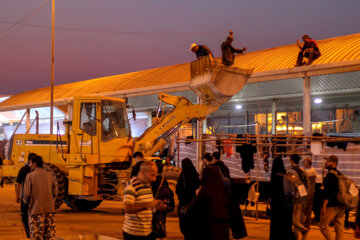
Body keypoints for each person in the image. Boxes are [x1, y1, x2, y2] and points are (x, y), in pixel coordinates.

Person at [123, 161, 167, 240]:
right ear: (143, 172)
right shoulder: (131, 186)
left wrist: (157, 206)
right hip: (133, 234)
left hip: (148, 232)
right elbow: (127, 208)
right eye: (152, 175)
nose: (154, 179)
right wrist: (148, 204)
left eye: (155, 175)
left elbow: (148, 205)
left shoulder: (147, 185)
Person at [187, 166, 230, 240]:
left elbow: (193, 208)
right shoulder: (224, 191)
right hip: (223, 230)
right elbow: (232, 209)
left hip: (208, 229)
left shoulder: (205, 191)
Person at [23, 155, 58, 240]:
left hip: (36, 211)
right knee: (49, 236)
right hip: (50, 211)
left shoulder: (30, 176)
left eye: (30, 163)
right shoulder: (50, 175)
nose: (29, 165)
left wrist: (25, 202)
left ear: (34, 164)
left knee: (37, 236)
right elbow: (55, 192)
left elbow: (27, 195)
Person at [320, 155, 346, 240]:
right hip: (342, 205)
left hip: (332, 205)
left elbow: (327, 192)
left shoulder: (330, 175)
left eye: (328, 161)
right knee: (339, 229)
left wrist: (324, 206)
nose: (326, 163)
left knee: (323, 225)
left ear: (333, 163)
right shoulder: (339, 174)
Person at [269, 155, 295, 240]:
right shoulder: (285, 176)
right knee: (285, 224)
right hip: (285, 204)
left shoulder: (273, 177)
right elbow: (290, 190)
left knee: (276, 224)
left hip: (276, 205)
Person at [175, 158, 201, 240]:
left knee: (184, 219)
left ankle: (186, 234)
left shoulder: (182, 175)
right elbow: (198, 184)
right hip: (192, 200)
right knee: (192, 218)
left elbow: (178, 189)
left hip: (183, 201)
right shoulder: (194, 173)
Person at [16, 152, 37, 239]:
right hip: (37, 198)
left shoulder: (23, 169)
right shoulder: (41, 171)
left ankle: (29, 234)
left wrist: (17, 195)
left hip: (26, 197)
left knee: (25, 215)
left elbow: (19, 184)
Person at [289, 154, 309, 239]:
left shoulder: (291, 172)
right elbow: (308, 185)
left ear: (292, 161)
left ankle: (303, 230)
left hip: (294, 197)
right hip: (302, 196)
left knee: (292, 218)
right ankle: (296, 236)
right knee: (296, 217)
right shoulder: (303, 171)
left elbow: (289, 186)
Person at [303, 157, 317, 239]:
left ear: (308, 163)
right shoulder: (311, 170)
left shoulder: (310, 171)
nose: (303, 164)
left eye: (304, 162)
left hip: (308, 194)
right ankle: (306, 228)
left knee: (305, 213)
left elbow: (310, 185)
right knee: (307, 213)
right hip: (309, 193)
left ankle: (305, 228)